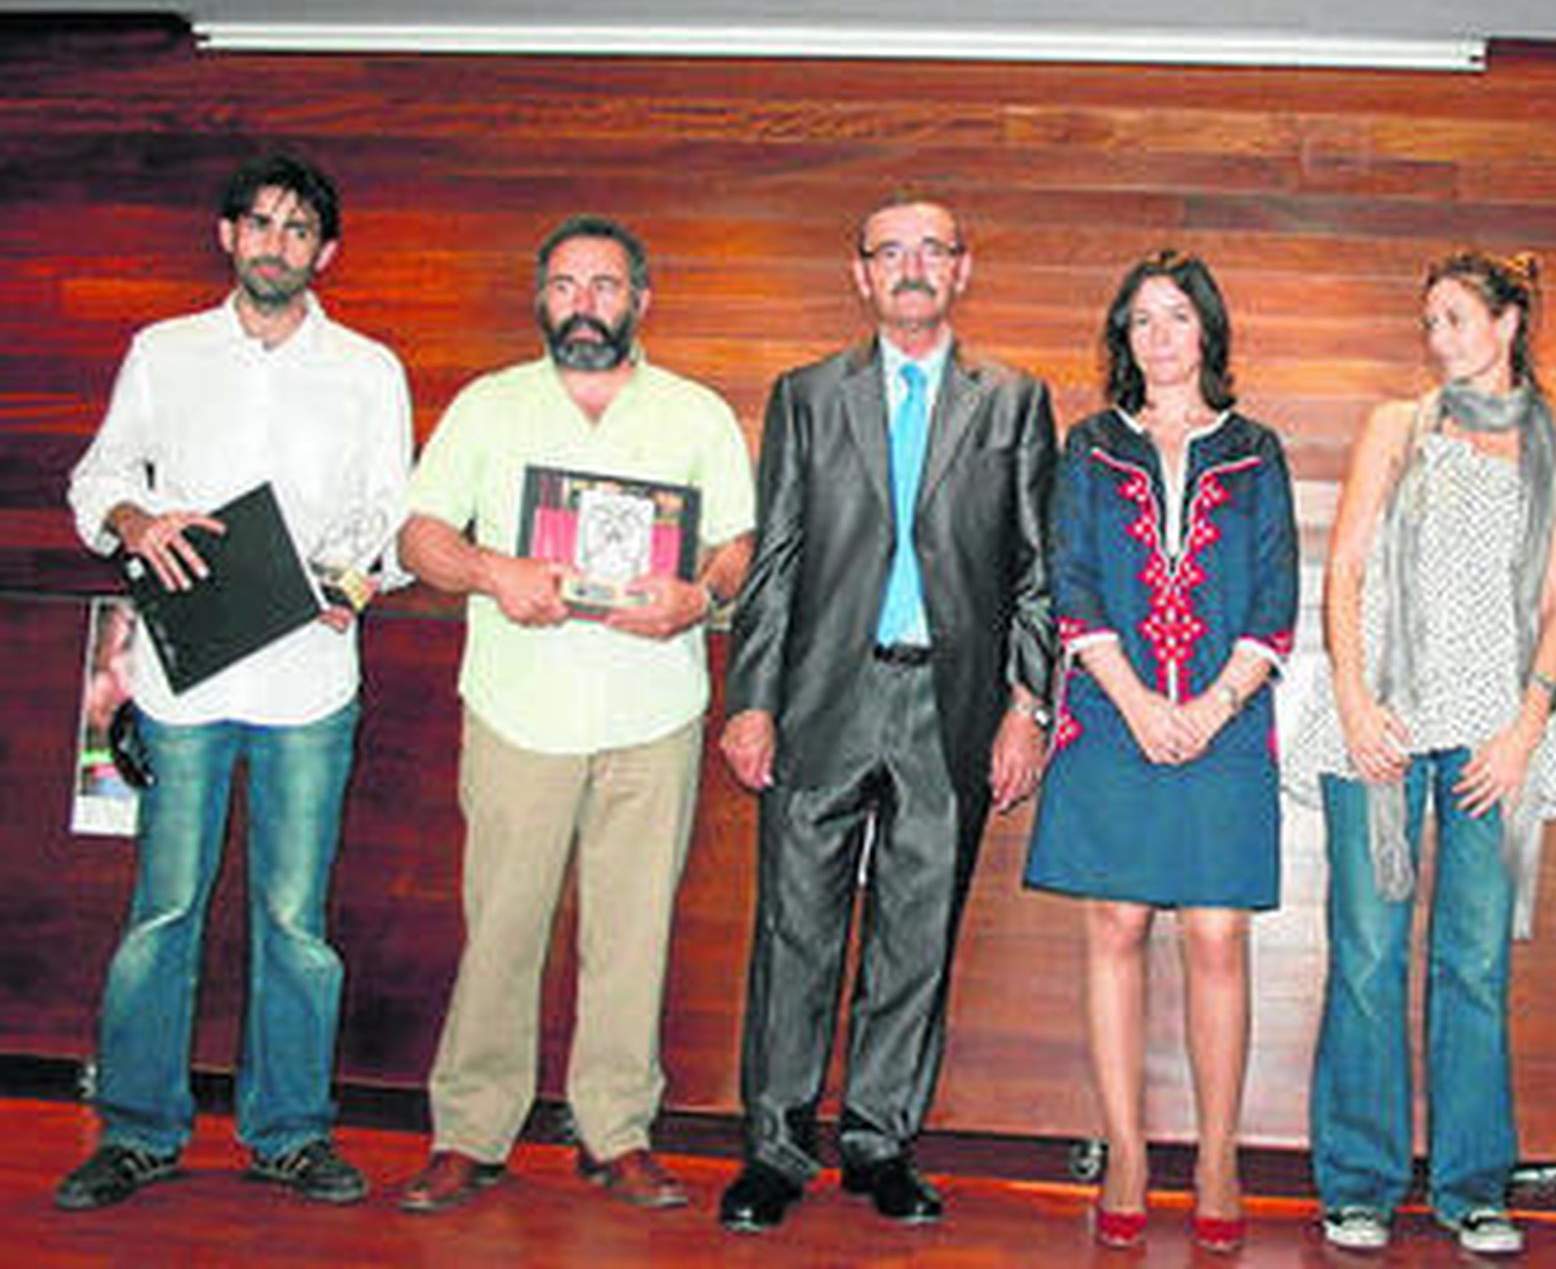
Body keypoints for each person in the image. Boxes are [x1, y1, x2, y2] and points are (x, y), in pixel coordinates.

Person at [58, 153, 414, 1209]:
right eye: (259, 223)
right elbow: (99, 477)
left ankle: (290, 1132)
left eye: (298, 230)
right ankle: (137, 1129)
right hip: (179, 685)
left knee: (295, 920)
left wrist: (356, 575)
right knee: (163, 909)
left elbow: (390, 519)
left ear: (326, 252)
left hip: (310, 678)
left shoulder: (368, 368)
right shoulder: (162, 352)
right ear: (228, 236)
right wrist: (136, 520)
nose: (276, 243)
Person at [397, 214, 754, 1214]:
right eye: (564, 285)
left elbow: (737, 543)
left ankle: (618, 1132)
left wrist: (701, 595)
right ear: (540, 297)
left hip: (655, 709)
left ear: (642, 298)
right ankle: (470, 1132)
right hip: (520, 707)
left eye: (605, 285)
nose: (584, 303)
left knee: (633, 932)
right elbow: (420, 534)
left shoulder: (695, 414)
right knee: (501, 926)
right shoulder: (489, 405)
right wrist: (489, 568)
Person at [717, 196, 1056, 1232]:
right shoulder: (808, 394)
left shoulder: (1013, 401)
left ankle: (878, 1141)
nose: (911, 267)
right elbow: (772, 560)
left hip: (948, 707)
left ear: (963, 269)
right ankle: (774, 1149)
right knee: (795, 929)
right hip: (823, 693)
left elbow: (1038, 570)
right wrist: (753, 699)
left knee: (917, 933)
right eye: (889, 252)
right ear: (860, 273)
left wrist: (1025, 704)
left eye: (931, 251)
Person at [1290, 249, 1556, 1256]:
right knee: (1366, 954)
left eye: (1456, 318)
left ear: (1507, 323)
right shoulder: (1398, 427)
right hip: (1379, 723)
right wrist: (1353, 697)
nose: (1440, 338)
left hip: (1496, 737)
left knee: (1471, 963)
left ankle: (1471, 1187)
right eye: (1429, 323)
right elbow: (1346, 569)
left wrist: (1525, 726)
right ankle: (1360, 1181)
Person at [1023, 250, 1298, 1254]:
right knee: (1115, 922)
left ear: (1207, 333)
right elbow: (1073, 581)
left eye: (1177, 317)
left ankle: (1218, 1153)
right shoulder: (1089, 445)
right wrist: (1139, 702)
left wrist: (1213, 705)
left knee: (1219, 935)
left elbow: (1275, 599)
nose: (1160, 336)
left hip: (1228, 725)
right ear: (1121, 338)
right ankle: (1128, 1148)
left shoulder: (1255, 449)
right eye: (1140, 319)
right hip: (1112, 715)